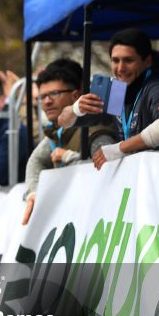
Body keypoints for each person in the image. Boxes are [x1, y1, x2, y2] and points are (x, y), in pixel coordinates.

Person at [58, 28, 159, 169]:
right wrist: (75, 109)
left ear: (147, 61)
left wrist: (119, 149)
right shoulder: (117, 91)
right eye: (115, 60)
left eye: (128, 60)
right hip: (134, 176)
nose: (120, 68)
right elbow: (63, 122)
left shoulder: (156, 87)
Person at [22, 58, 118, 224]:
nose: (47, 102)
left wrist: (69, 158)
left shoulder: (96, 130)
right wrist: (34, 193)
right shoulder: (57, 131)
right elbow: (35, 160)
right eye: (43, 96)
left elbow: (109, 174)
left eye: (54, 94)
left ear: (75, 95)